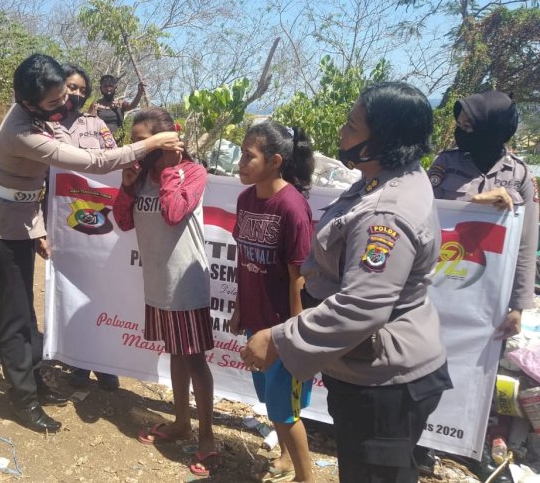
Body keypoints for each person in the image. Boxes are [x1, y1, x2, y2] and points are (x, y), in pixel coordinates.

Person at [240, 82, 453, 483]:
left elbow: (361, 306)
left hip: (384, 382)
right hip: (371, 369)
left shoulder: (385, 212)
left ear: (383, 139)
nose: (341, 131)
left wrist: (280, 338)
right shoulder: (383, 179)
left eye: (352, 125)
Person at [0, 55, 182, 433]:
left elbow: (26, 187)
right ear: (27, 101)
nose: (65, 105)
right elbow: (94, 162)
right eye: (55, 102)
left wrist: (36, 226)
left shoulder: (42, 116)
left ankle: (33, 381)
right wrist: (152, 144)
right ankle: (22, 400)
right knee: (14, 315)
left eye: (66, 94)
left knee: (26, 314)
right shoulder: (23, 131)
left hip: (20, 221)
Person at [112, 108, 218, 478]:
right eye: (134, 141)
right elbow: (123, 221)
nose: (136, 148)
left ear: (166, 139)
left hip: (185, 286)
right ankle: (181, 422)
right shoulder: (139, 176)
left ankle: (207, 437)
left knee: (194, 359)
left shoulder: (192, 173)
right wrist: (127, 186)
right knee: (175, 354)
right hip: (157, 284)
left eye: (143, 140)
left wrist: (171, 168)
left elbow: (174, 212)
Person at [229, 122, 315, 482]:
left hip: (282, 330)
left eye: (249, 156)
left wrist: (293, 334)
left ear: (275, 161)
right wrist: (238, 307)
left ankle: (306, 477)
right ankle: (284, 457)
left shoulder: (293, 207)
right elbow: (243, 257)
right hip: (255, 319)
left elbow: (300, 277)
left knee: (286, 409)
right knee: (272, 401)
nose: (241, 162)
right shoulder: (245, 199)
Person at [429, 90, 539, 338]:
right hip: (440, 281)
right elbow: (421, 212)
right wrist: (473, 203)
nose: (462, 132)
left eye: (469, 126)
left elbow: (525, 245)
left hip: (488, 295)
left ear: (493, 128)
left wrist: (518, 307)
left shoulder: (520, 174)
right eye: (461, 125)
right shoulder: (445, 163)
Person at [54, 63, 120, 391]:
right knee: (71, 288)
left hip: (101, 220)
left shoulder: (97, 125)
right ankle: (78, 360)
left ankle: (104, 362)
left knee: (102, 290)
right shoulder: (45, 123)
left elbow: (113, 159)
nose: (76, 94)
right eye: (70, 87)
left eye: (81, 88)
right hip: (64, 221)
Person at [88, 74, 145, 142]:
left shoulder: (120, 104)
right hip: (100, 142)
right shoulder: (95, 105)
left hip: (118, 141)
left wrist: (139, 93)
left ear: (115, 88)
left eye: (111, 86)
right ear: (101, 88)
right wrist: (94, 111)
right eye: (105, 86)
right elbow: (89, 124)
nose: (108, 88)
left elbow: (132, 105)